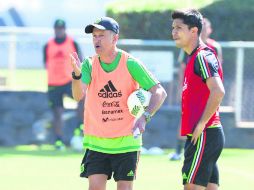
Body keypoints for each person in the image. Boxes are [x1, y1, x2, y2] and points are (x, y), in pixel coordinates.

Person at [70, 17, 167, 190]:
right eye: (94, 36)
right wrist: (76, 76)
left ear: (115, 38)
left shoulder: (130, 63)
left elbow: (159, 92)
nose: (96, 40)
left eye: (101, 35)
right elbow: (78, 96)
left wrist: (144, 117)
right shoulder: (89, 65)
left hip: (126, 142)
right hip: (96, 142)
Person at [171, 9, 225, 190]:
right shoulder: (192, 57)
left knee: (191, 187)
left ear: (194, 31)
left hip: (204, 134)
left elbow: (218, 91)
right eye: (173, 28)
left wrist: (201, 124)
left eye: (179, 28)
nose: (174, 32)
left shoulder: (202, 55)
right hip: (206, 136)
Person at [43, 19, 83, 149]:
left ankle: (80, 126)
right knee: (57, 113)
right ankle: (58, 140)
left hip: (69, 81)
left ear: (64, 29)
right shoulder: (48, 45)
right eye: (57, 29)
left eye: (61, 28)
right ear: (54, 29)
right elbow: (46, 64)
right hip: (53, 83)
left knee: (83, 98)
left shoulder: (72, 43)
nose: (59, 31)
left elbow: (80, 61)